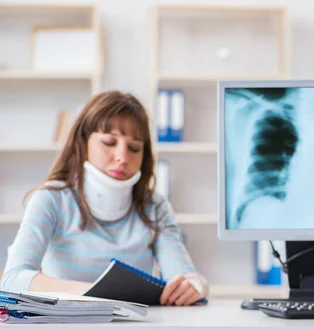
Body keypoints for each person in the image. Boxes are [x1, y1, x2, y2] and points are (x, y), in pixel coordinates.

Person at [0, 91, 209, 306]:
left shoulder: (155, 207)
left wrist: (196, 285)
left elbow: (184, 276)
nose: (122, 157)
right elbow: (13, 279)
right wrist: (96, 293)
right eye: (109, 142)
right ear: (83, 143)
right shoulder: (51, 199)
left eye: (134, 148)